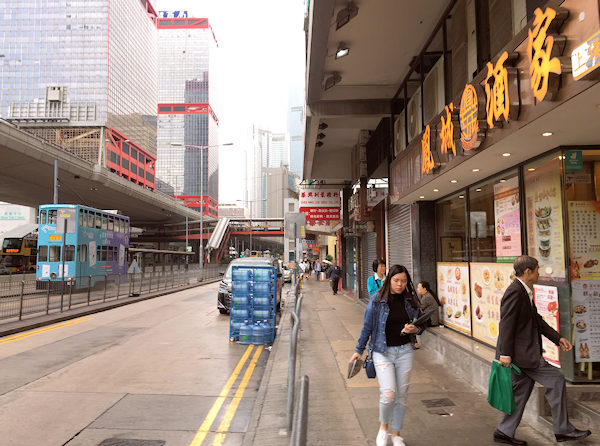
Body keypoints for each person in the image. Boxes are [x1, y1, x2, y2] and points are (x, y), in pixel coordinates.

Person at [493, 255, 591, 445]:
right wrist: (505, 354)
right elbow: (506, 324)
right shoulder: (515, 291)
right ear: (528, 272)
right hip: (524, 355)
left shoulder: (524, 290)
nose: (539, 273)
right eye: (537, 270)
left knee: (520, 393)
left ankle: (504, 431)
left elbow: (536, 321)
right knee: (556, 380)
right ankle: (563, 429)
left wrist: (558, 338)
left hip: (522, 354)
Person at [349, 264, 425, 446]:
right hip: (382, 352)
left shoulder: (411, 300)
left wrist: (416, 328)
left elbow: (422, 323)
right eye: (396, 280)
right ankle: (384, 428)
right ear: (389, 280)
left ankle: (396, 433)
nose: (400, 284)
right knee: (389, 393)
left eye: (404, 281)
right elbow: (367, 327)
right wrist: (358, 350)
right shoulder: (377, 300)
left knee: (402, 395)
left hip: (405, 351)